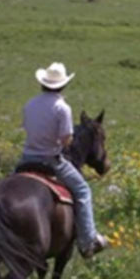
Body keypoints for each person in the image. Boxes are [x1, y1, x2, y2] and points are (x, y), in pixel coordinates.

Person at [18, 61, 108, 258]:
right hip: (51, 160)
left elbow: (27, 129)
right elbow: (66, 139)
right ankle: (88, 241)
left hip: (26, 158)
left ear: (42, 83)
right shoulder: (62, 108)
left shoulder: (30, 104)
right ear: (63, 85)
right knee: (83, 191)